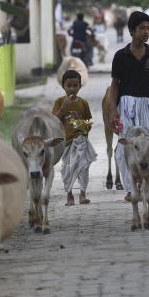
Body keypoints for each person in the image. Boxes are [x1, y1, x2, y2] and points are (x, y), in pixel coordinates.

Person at [108, 10, 149, 202]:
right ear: (131, 31)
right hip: (126, 104)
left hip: (146, 103)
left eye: (148, 28)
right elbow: (115, 85)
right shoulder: (120, 55)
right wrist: (112, 111)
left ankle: (147, 184)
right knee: (125, 147)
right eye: (141, 28)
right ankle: (130, 189)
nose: (146, 32)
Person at [52, 70, 96, 206]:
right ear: (63, 86)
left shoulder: (83, 103)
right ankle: (69, 195)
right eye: (69, 86)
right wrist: (63, 109)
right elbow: (53, 120)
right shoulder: (59, 102)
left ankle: (82, 194)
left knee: (83, 167)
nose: (72, 89)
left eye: (75, 85)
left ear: (80, 86)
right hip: (66, 143)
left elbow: (89, 121)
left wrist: (81, 123)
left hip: (81, 140)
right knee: (68, 169)